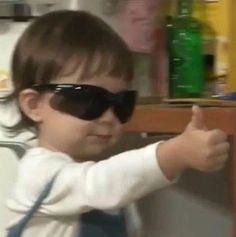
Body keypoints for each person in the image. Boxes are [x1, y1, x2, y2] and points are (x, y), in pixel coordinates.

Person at [2, 10, 229, 237]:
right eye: (88, 99)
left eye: (121, 102)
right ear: (33, 105)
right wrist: (174, 153)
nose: (109, 116)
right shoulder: (40, 172)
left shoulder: (106, 184)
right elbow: (100, 184)